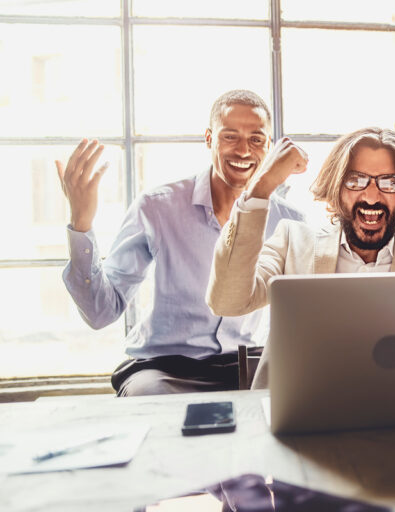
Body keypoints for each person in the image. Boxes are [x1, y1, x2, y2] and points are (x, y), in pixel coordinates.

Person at [207, 127, 395, 389]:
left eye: (389, 182)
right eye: (356, 180)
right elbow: (227, 301)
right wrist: (261, 188)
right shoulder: (292, 242)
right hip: (297, 426)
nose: (372, 196)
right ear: (336, 189)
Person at [56, 89, 303, 396]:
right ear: (209, 139)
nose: (243, 151)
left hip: (247, 365)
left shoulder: (288, 220)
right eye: (230, 137)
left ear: (269, 147)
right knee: (148, 399)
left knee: (307, 398)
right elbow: (99, 312)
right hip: (165, 369)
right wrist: (82, 223)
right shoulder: (158, 207)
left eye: (256, 139)